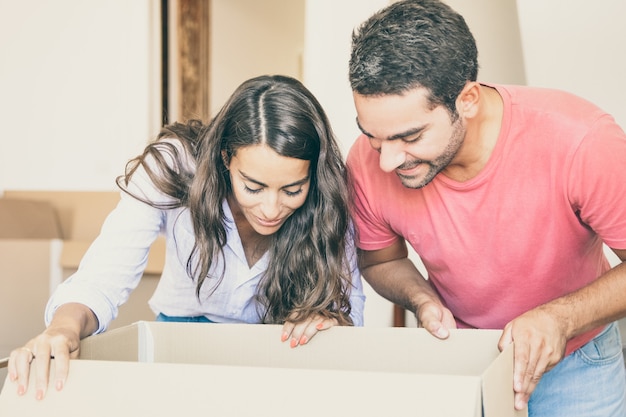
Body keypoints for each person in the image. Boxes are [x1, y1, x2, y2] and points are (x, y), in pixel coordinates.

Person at [346, 1, 626, 416]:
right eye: (371, 135)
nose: (386, 160)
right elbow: (381, 260)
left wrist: (559, 319)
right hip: (462, 359)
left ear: (468, 99)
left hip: (578, 361)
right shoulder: (368, 161)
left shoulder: (583, 142)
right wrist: (421, 298)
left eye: (410, 136)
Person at [8, 74, 365, 399]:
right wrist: (64, 327)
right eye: (253, 187)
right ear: (226, 157)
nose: (271, 209)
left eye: (292, 189)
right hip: (179, 340)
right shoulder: (174, 164)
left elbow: (351, 310)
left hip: (277, 346)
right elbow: (104, 274)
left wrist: (330, 321)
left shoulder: (329, 192)